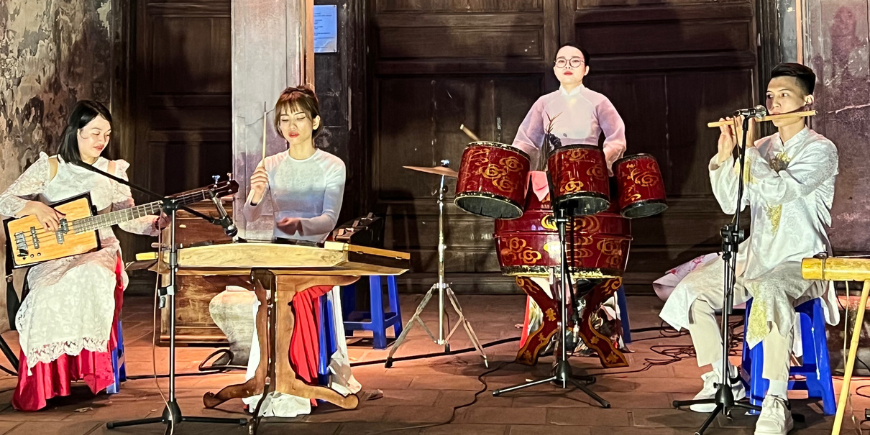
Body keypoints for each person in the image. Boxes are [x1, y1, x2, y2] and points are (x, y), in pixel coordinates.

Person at [659, 63, 839, 435]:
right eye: (770, 96)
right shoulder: (760, 146)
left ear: (807, 100)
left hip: (803, 261)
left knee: (772, 289)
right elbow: (730, 201)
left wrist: (748, 152)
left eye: (784, 95)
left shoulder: (822, 150)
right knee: (693, 290)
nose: (773, 103)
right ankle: (723, 380)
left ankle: (775, 400)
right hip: (756, 255)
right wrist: (726, 155)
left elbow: (779, 191)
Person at [0, 100, 167, 411]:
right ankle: (48, 385)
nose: (100, 141)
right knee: (44, 296)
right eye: (93, 133)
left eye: (106, 134)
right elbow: (4, 200)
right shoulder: (50, 167)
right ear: (75, 132)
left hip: (100, 248)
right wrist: (34, 206)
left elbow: (127, 217)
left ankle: (92, 373)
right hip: (54, 252)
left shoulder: (113, 171)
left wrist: (158, 223)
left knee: (86, 277)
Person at [241, 85, 361, 417]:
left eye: (299, 117)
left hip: (315, 254)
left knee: (298, 294)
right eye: (283, 119)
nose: (291, 125)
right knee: (270, 290)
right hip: (279, 254)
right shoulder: (271, 163)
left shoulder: (332, 165)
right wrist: (254, 195)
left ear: (315, 121)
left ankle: (303, 378)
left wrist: (297, 225)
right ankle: (270, 375)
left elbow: (328, 220)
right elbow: (249, 218)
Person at [511, 44, 630, 363]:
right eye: (561, 61)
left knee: (589, 250)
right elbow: (525, 141)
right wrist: (521, 164)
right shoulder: (544, 103)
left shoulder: (598, 101)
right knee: (547, 251)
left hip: (589, 183)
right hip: (553, 182)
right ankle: (549, 330)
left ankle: (591, 329)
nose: (568, 66)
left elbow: (617, 138)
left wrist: (594, 163)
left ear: (586, 69)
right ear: (554, 68)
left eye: (575, 61)